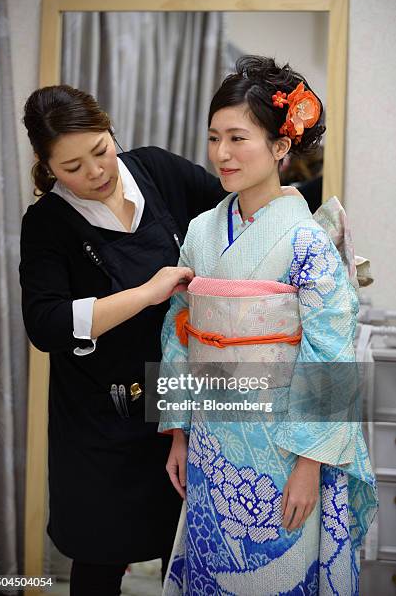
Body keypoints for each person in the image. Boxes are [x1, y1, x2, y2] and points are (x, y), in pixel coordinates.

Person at [158, 56, 378, 595]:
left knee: (276, 570)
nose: (222, 154)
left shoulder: (307, 240)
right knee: (212, 562)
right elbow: (179, 328)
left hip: (282, 445)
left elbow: (330, 354)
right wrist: (179, 432)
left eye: (238, 137)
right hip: (212, 435)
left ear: (281, 146)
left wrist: (309, 465)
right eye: (214, 138)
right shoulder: (202, 230)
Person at [19, 84, 226, 596]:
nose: (94, 172)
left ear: (111, 130)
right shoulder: (47, 224)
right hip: (98, 417)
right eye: (71, 167)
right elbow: (45, 324)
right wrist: (146, 293)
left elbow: (236, 210)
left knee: (183, 545)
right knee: (98, 558)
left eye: (100, 150)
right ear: (48, 168)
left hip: (176, 400)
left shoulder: (156, 171)